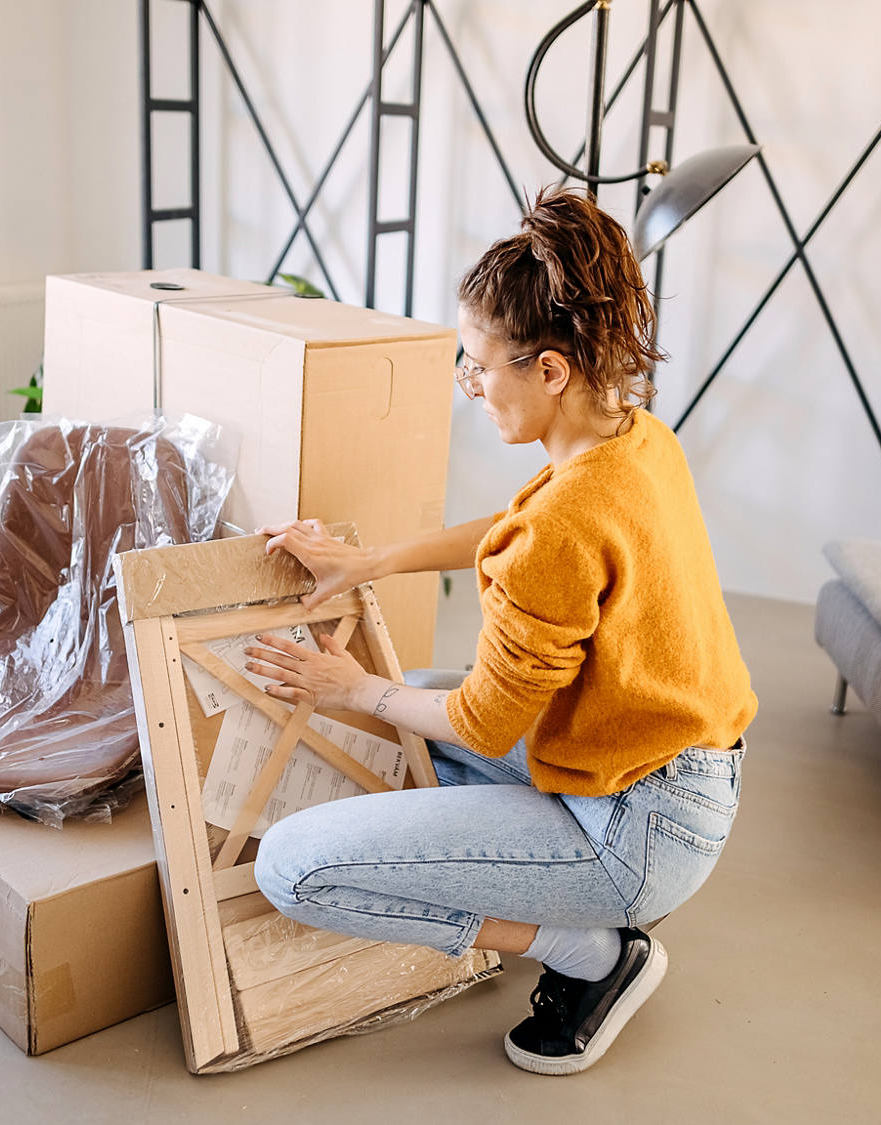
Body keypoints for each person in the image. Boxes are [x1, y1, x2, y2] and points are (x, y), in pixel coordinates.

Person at [244, 185, 758, 1076]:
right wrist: (367, 564)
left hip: (636, 831)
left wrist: (353, 688)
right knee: (424, 712)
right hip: (675, 768)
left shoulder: (564, 520)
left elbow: (487, 719)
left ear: (550, 369)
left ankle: (593, 953)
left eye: (480, 367)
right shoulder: (633, 440)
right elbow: (517, 528)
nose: (471, 387)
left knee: (293, 867)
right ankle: (557, 893)